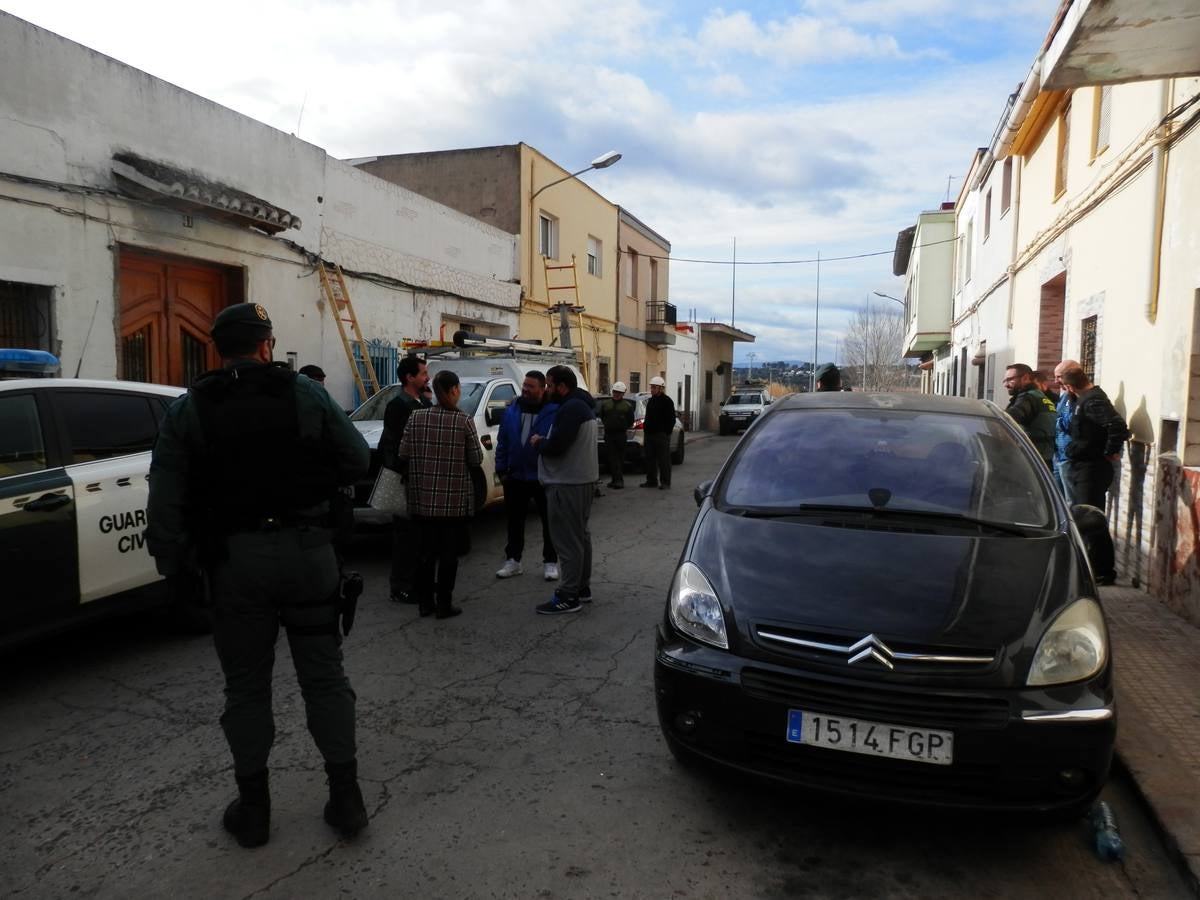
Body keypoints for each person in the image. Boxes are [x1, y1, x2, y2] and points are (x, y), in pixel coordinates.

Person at [146, 302, 371, 848]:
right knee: (323, 678)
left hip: (235, 561)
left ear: (218, 350)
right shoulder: (304, 392)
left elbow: (166, 498)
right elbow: (357, 460)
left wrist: (173, 567)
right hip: (308, 554)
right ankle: (346, 800)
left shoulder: (191, 407)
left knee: (246, 687)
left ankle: (254, 811)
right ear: (266, 344)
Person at [398, 369, 483, 619]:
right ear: (454, 390)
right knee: (448, 555)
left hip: (422, 499)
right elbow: (476, 459)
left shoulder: (416, 417)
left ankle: (425, 603)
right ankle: (444, 604)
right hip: (453, 502)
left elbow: (403, 453)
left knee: (426, 554)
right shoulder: (463, 420)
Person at [531, 365, 598, 614]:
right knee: (580, 537)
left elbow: (558, 445)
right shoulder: (581, 406)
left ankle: (569, 595)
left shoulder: (571, 409)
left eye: (549, 385)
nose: (547, 390)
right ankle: (581, 588)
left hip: (568, 483)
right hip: (580, 481)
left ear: (562, 386)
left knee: (568, 542)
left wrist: (540, 442)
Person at [1059, 363, 1129, 585]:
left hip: (1092, 469)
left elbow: (1117, 425)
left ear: (1070, 385)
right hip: (1084, 466)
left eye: (1062, 383)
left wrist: (1111, 452)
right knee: (1086, 517)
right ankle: (1094, 567)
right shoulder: (1084, 399)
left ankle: (1103, 571)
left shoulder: (1093, 400)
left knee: (1091, 519)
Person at [494, 370, 560, 581]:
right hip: (515, 476)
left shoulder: (554, 411)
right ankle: (513, 560)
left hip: (542, 476)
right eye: (524, 386)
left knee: (549, 522)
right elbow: (503, 440)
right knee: (514, 522)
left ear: (542, 389)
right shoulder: (513, 409)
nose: (525, 390)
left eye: (531, 387)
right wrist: (501, 469)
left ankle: (550, 562)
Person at [378, 356, 432, 604]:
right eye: (423, 374)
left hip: (419, 480)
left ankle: (416, 583)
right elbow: (396, 446)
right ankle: (401, 587)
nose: (427, 377)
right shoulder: (399, 406)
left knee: (419, 538)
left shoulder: (418, 402)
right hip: (406, 480)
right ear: (410, 378)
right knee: (405, 538)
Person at [1002, 363, 1057, 468]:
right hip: (1043, 458)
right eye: (1005, 381)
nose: (1006, 384)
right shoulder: (1039, 396)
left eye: (1010, 380)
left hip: (1032, 459)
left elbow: (1010, 419)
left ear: (1025, 378)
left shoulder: (1028, 398)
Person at [598, 381, 635, 489]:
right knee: (612, 458)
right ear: (612, 392)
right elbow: (602, 416)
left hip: (621, 435)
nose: (616, 394)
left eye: (619, 392)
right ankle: (616, 480)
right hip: (609, 435)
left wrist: (622, 426)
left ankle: (618, 480)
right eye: (615, 392)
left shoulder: (627, 406)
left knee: (619, 458)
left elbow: (630, 421)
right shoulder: (606, 404)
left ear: (623, 393)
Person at [640, 376, 675, 489]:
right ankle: (651, 481)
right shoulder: (651, 401)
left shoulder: (667, 401)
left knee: (663, 459)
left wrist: (666, 433)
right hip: (649, 435)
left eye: (654, 387)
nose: (652, 389)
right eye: (651, 387)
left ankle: (665, 482)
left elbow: (671, 419)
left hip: (661, 435)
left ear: (661, 388)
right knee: (650, 458)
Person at [1051, 359, 1079, 500]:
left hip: (1069, 457)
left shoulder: (1078, 398)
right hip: (1058, 455)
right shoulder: (1064, 397)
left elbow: (1068, 423)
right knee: (1059, 500)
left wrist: (1057, 421)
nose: (1056, 381)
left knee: (1071, 502)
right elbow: (1058, 418)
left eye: (1059, 377)